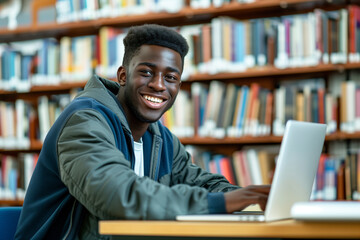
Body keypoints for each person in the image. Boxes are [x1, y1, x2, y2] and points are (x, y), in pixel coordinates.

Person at [15, 24, 270, 239]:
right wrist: (222, 204)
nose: (159, 85)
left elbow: (201, 183)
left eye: (171, 78)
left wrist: (246, 198)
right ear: (123, 76)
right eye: (147, 72)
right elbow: (117, 195)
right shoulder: (84, 122)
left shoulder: (161, 139)